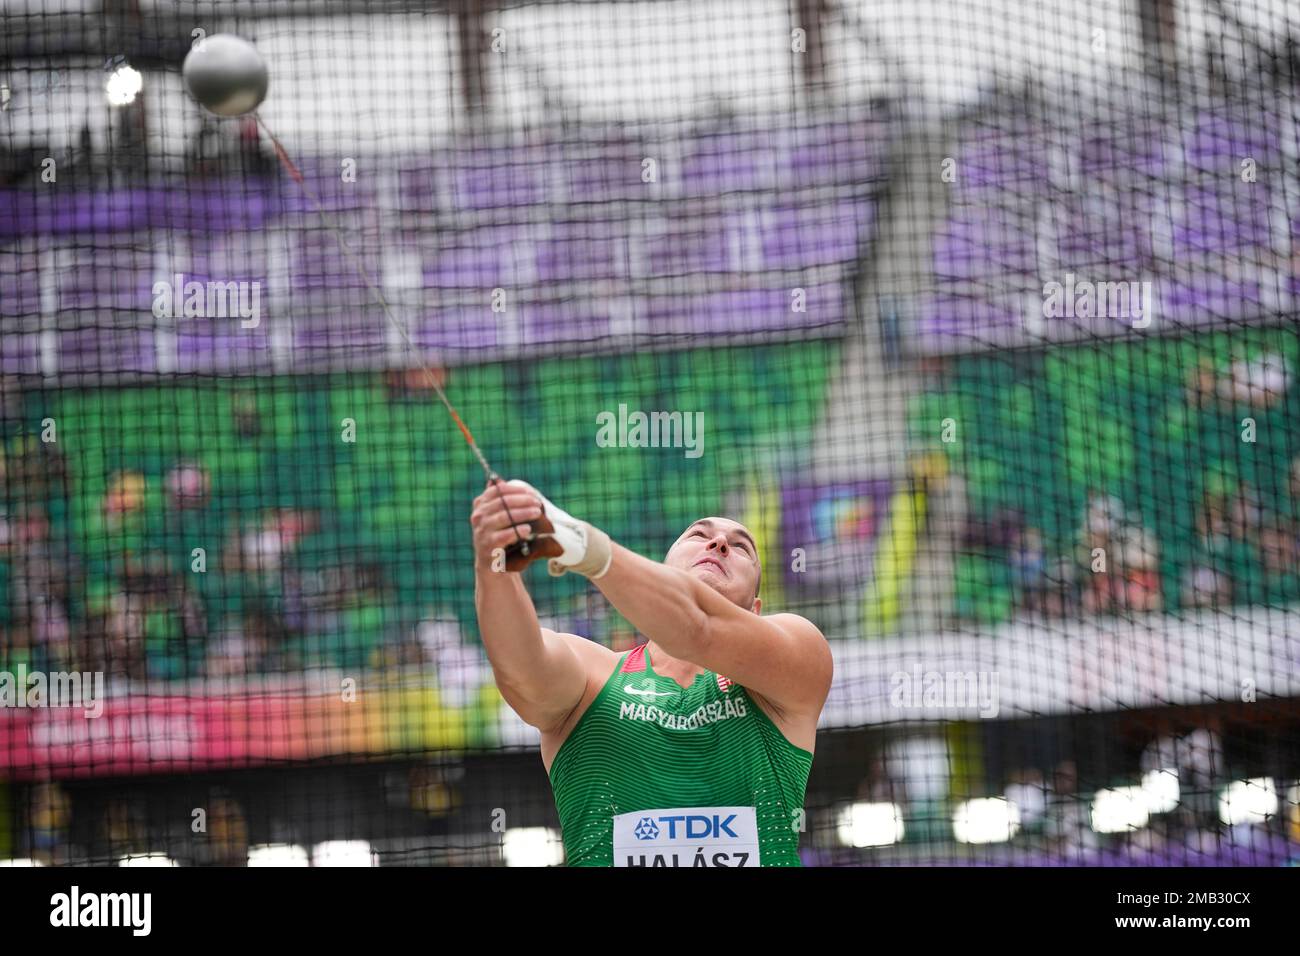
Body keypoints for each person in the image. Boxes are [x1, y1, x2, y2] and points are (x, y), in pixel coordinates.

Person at [471, 479, 832, 866]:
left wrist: (583, 545)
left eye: (741, 546)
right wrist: (495, 562)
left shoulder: (799, 654)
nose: (719, 544)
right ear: (658, 574)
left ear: (756, 610)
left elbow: (696, 628)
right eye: (698, 535)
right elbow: (518, 668)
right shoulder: (593, 678)